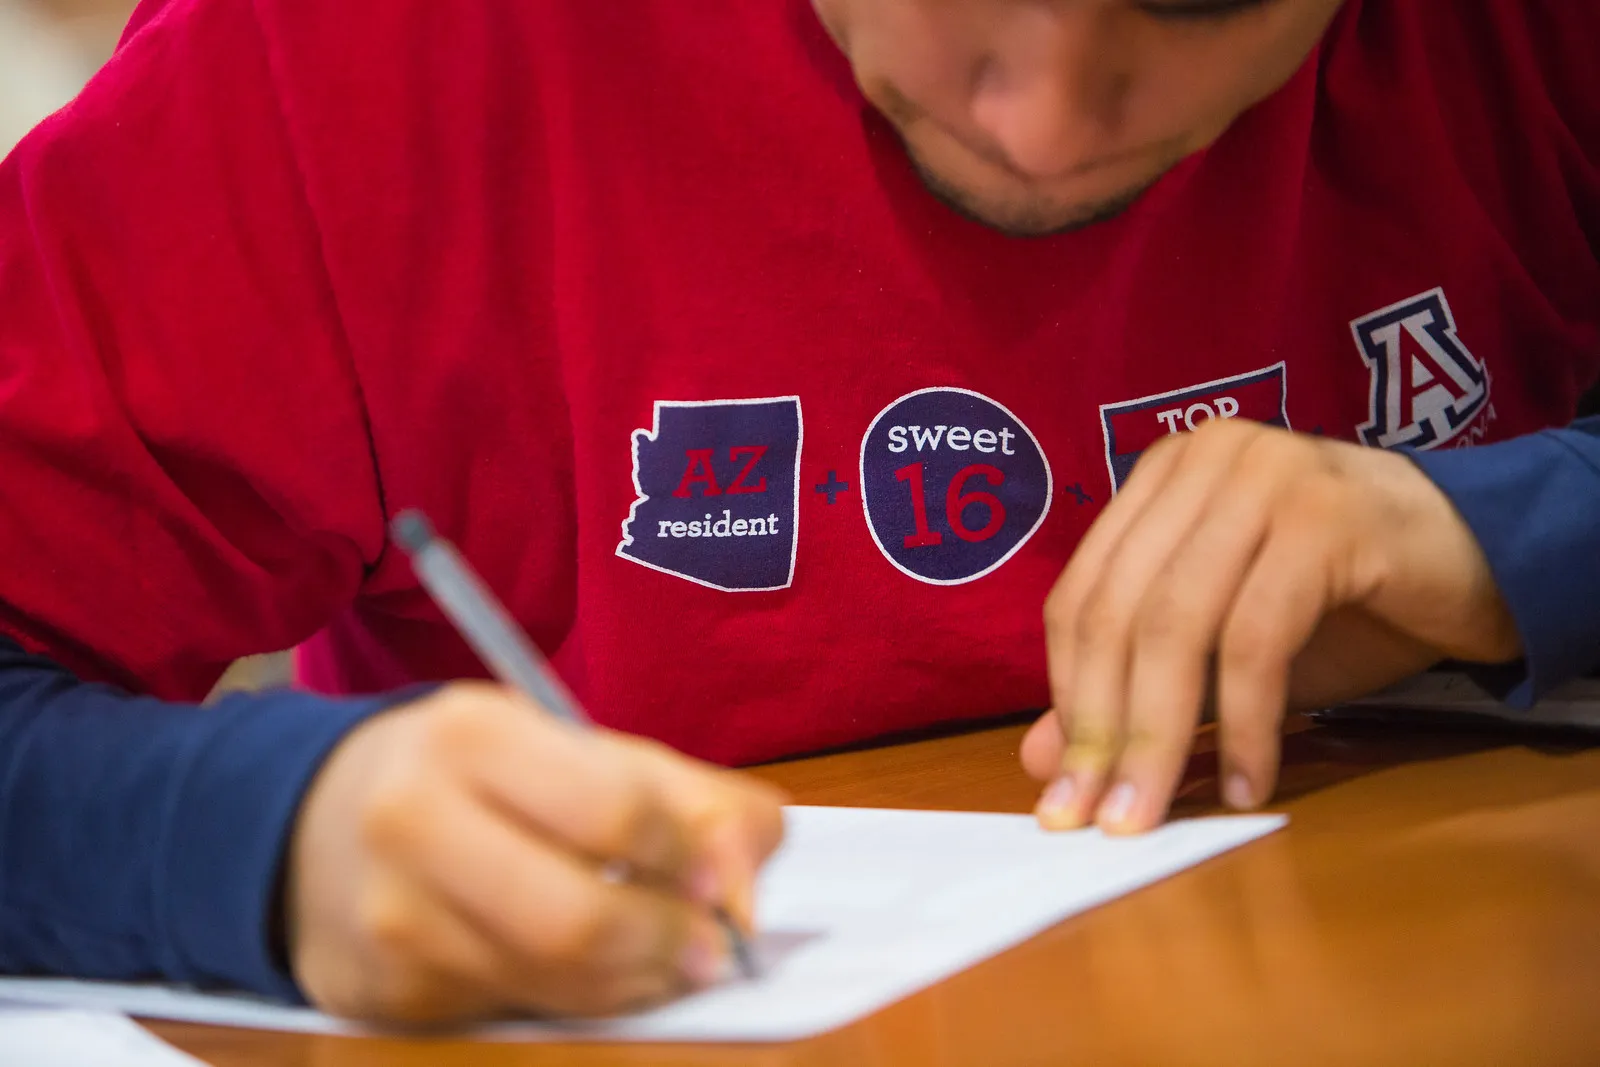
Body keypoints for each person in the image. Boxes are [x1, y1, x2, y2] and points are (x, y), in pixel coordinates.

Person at [1, 0, 1596, 1025]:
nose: (1041, 123)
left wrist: (1512, 535)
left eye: (1200, 5)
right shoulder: (354, 56)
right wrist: (269, 839)